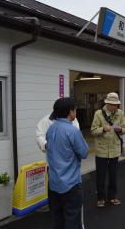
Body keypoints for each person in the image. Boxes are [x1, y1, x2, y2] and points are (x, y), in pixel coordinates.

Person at [46, 97, 89, 229]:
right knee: (72, 218)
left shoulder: (51, 129)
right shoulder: (72, 131)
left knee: (57, 218)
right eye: (75, 110)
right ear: (71, 112)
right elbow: (84, 153)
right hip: (71, 184)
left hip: (53, 182)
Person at [90, 92, 125, 208]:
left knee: (113, 175)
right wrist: (103, 129)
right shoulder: (98, 114)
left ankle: (112, 196)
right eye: (111, 104)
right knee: (100, 176)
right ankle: (100, 198)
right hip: (101, 150)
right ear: (107, 103)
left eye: (116, 104)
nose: (114, 106)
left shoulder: (120, 113)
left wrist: (120, 129)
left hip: (115, 149)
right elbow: (93, 131)